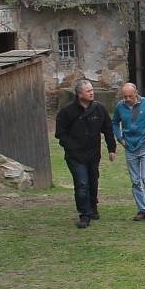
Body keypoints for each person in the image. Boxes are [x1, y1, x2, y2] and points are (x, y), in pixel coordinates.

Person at [55, 79, 116, 229]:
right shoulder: (67, 111)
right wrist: (71, 147)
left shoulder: (99, 109)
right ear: (79, 94)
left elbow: (108, 129)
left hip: (93, 153)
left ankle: (93, 206)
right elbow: (60, 133)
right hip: (75, 156)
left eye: (92, 90)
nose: (91, 93)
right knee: (81, 183)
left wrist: (111, 149)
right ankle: (84, 214)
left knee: (93, 181)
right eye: (88, 91)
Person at [112, 82, 145, 221]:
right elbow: (115, 122)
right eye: (125, 96)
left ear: (136, 93)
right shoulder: (120, 106)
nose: (127, 99)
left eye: (130, 96)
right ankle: (142, 209)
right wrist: (119, 138)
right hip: (129, 147)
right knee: (135, 180)